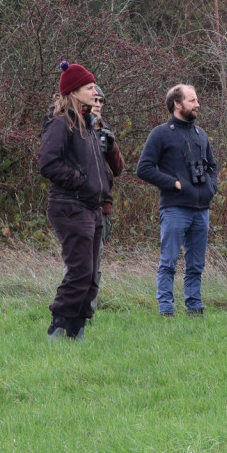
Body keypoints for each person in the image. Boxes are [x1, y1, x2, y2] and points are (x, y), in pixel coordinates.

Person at [39, 61, 110, 339]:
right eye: (90, 87)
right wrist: (81, 180)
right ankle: (57, 328)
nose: (95, 92)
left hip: (92, 208)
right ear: (74, 91)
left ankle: (76, 329)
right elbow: (48, 164)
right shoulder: (60, 123)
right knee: (79, 271)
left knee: (91, 276)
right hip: (70, 206)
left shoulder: (89, 126)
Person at [137, 84, 218, 318]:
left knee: (196, 265)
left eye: (196, 100)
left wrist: (212, 186)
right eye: (192, 100)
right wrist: (174, 183)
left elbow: (213, 167)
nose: (197, 104)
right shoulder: (160, 133)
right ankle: (166, 310)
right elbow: (143, 168)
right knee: (169, 261)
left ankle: (194, 308)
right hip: (174, 209)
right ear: (177, 103)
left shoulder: (200, 134)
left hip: (202, 209)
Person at [88, 85, 125, 313]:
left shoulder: (105, 129)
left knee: (96, 261)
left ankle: (89, 310)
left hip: (103, 205)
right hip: (80, 204)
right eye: (95, 100)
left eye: (101, 101)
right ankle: (70, 309)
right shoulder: (75, 128)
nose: (99, 105)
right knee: (77, 262)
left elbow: (119, 168)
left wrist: (111, 146)